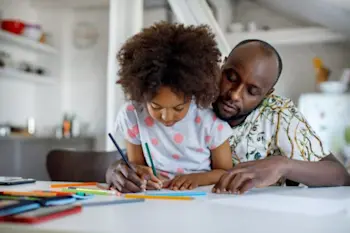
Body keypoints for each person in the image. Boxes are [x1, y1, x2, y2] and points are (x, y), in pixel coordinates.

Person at [106, 37, 350, 193]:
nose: (234, 94)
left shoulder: (280, 115)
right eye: (230, 77)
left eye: (252, 91)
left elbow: (340, 176)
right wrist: (116, 169)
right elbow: (137, 153)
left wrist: (282, 165)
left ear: (267, 94)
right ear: (221, 66)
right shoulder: (187, 92)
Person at [113, 22, 233, 191]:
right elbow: (136, 165)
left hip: (201, 201)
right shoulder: (133, 115)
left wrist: (196, 179)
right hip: (155, 200)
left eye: (178, 108)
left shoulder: (208, 122)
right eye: (155, 106)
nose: (166, 117)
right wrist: (141, 173)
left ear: (193, 95)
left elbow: (226, 172)